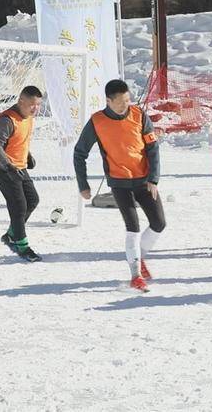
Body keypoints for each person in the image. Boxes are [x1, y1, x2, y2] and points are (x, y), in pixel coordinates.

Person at [74, 80, 165, 292]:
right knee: (132, 227)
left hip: (144, 180)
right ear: (108, 101)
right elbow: (79, 153)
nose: (126, 104)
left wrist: (153, 179)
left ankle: (139, 257)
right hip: (119, 183)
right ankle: (135, 275)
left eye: (128, 100)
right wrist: (83, 184)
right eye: (121, 102)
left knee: (159, 223)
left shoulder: (139, 115)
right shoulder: (97, 121)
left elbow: (153, 148)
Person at [0, 86, 44, 262]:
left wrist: (28, 156)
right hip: (2, 168)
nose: (35, 109)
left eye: (38, 105)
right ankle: (22, 245)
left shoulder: (28, 118)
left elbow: (20, 140)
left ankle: (11, 234)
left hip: (19, 167)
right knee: (18, 205)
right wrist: (8, 166)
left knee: (33, 200)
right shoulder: (6, 119)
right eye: (32, 105)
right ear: (21, 101)